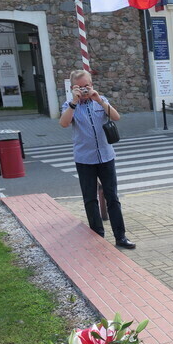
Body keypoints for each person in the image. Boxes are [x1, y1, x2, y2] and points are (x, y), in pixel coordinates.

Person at [59, 69, 135, 249]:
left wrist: (99, 100)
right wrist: (74, 102)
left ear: (92, 85)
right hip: (84, 159)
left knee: (112, 197)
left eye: (87, 86)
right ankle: (97, 237)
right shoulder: (69, 105)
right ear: (72, 88)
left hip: (106, 157)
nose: (85, 90)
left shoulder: (101, 101)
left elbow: (116, 117)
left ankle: (120, 236)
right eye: (80, 87)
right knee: (90, 199)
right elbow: (63, 123)